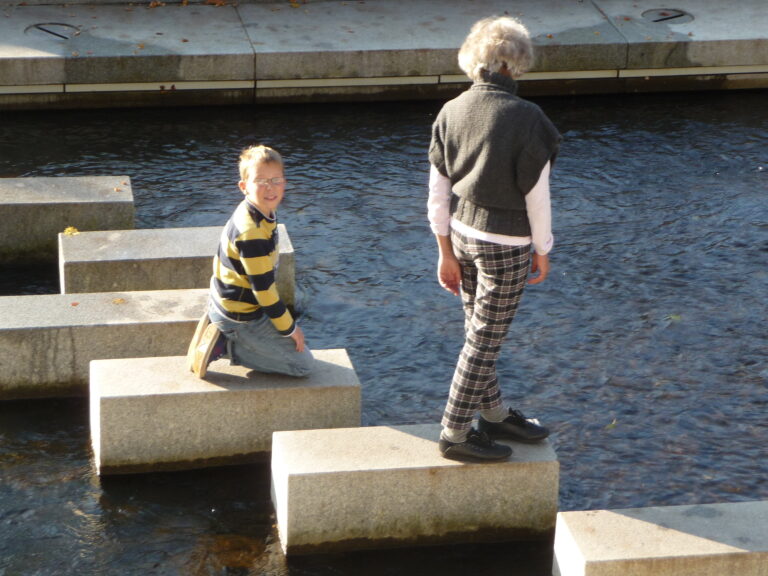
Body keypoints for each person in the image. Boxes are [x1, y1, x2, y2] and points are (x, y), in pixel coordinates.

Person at [427, 16, 561, 462]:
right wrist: (542, 250)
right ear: (515, 65)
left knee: (477, 335)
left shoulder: (450, 111)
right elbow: (537, 199)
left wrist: (444, 251)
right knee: (483, 343)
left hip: (462, 237)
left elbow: (438, 193)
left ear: (475, 60)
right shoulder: (530, 120)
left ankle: (495, 413)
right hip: (506, 245)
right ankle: (455, 432)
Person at [188, 145, 314, 379]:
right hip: (239, 315)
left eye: (276, 179)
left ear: (285, 182)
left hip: (226, 300)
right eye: (261, 181)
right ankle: (226, 345)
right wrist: (290, 328)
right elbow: (264, 292)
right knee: (303, 365)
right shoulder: (252, 232)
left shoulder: (257, 210)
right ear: (244, 187)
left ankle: (226, 330)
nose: (270, 187)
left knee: (290, 340)